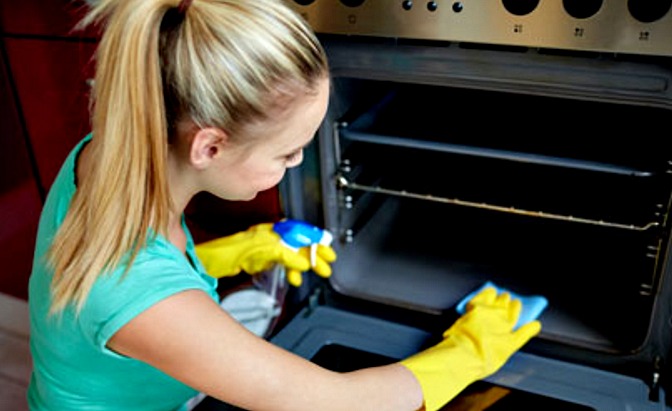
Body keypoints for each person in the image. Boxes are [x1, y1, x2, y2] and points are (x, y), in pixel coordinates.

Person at [27, 0, 542, 410]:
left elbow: (145, 279)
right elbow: (335, 403)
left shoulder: (107, 157)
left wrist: (249, 248)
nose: (297, 163)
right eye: (288, 151)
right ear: (209, 147)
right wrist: (469, 353)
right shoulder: (137, 298)